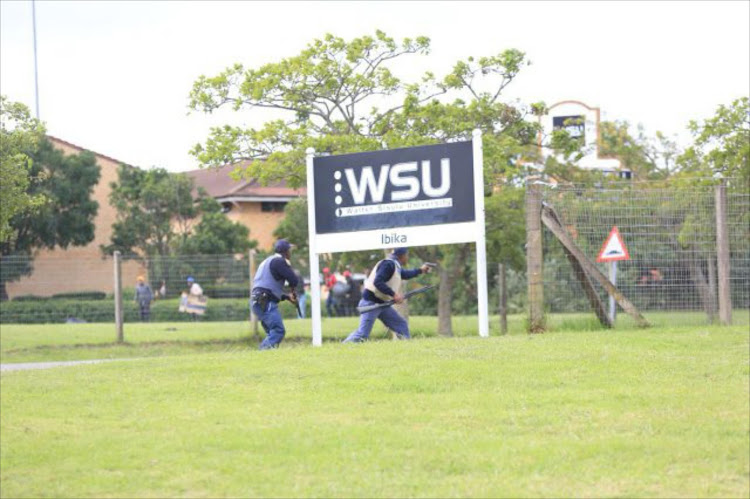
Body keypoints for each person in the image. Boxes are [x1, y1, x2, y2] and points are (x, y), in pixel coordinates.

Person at [343, 247, 432, 343]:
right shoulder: (388, 264)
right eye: (407, 255)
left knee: (401, 325)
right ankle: (343, 347)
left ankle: (408, 349)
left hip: (382, 304)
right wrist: (394, 295)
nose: (407, 258)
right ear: (402, 256)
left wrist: (420, 270)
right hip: (371, 303)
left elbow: (404, 274)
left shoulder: (395, 265)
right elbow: (378, 282)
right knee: (362, 335)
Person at [251, 239, 300, 350]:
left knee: (272, 333)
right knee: (278, 331)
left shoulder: (268, 261)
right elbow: (294, 280)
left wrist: (287, 297)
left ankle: (268, 357)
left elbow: (269, 288)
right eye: (290, 250)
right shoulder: (279, 261)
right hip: (265, 301)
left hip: (257, 301)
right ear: (286, 252)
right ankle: (260, 356)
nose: (290, 253)